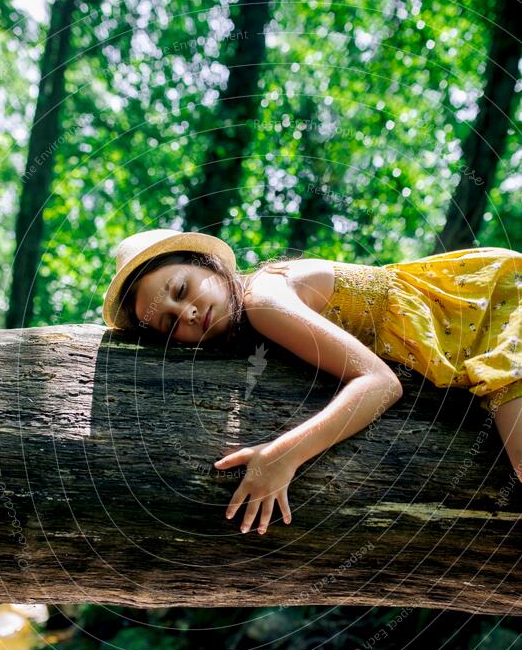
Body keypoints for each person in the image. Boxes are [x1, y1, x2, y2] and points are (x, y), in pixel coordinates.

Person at [103, 228, 522, 535]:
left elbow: (380, 383)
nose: (188, 313)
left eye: (181, 288)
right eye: (170, 321)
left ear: (207, 264)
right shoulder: (253, 327)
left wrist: (282, 455)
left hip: (489, 311)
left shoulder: (263, 299)